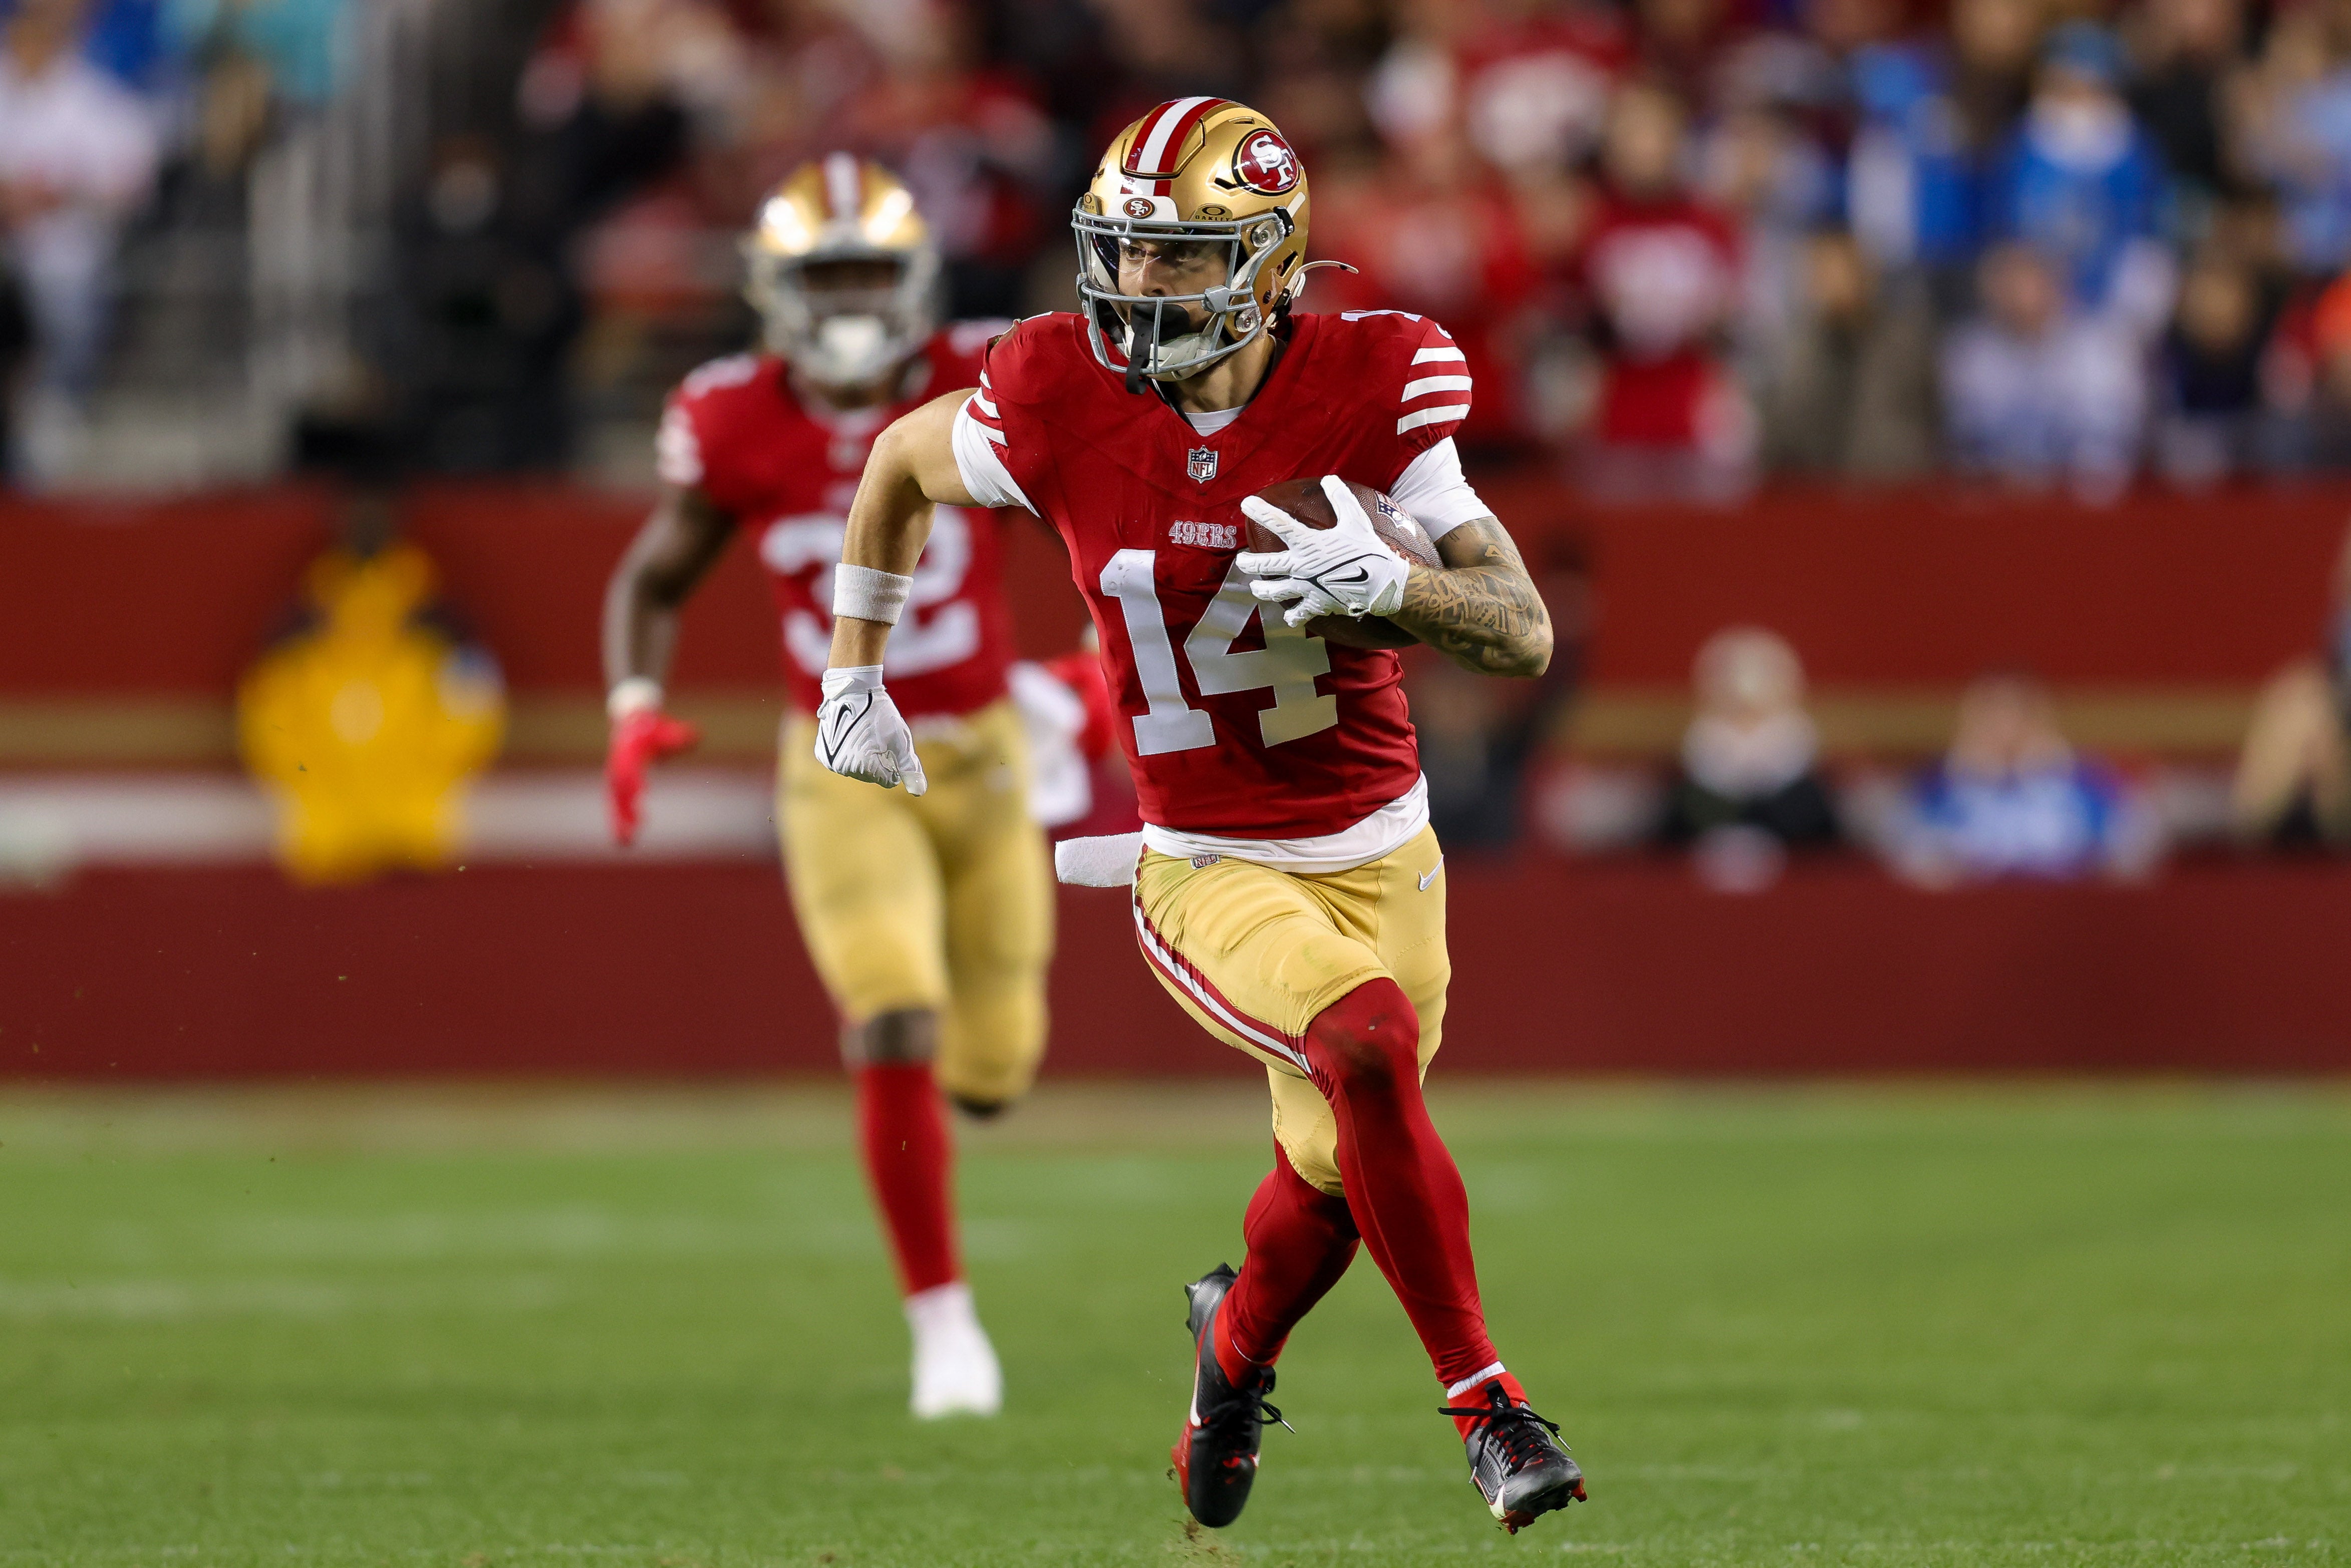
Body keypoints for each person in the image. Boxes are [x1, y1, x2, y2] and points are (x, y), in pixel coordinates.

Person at [811, 99, 1587, 1536]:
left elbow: (1523, 632)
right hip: (1205, 862)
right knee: (1361, 1044)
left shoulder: (1376, 378)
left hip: (1383, 852)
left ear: (1272, 265)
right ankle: (1488, 1409)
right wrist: (852, 668)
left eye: (1178, 259)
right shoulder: (1055, 387)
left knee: (1337, 1172)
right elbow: (898, 467)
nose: (1136, 288)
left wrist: (1400, 591)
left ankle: (1228, 1356)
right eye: (1124, 252)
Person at [600, 156, 1050, 1421]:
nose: (850, 298)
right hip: (843, 760)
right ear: (773, 289)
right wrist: (632, 707)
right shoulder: (736, 413)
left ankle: (964, 1121)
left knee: (994, 1069)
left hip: (988, 749)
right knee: (894, 1015)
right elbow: (653, 577)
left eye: (868, 272)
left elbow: (1096, 506)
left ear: (913, 280)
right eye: (825, 275)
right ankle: (944, 1325)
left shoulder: (989, 373)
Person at [1888, 671, 2159, 884]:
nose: (2005, 722)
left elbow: (2130, 859)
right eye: (1990, 708)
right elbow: (1911, 864)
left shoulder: (2091, 784)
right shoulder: (1934, 788)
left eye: (2018, 708)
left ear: (2041, 715)